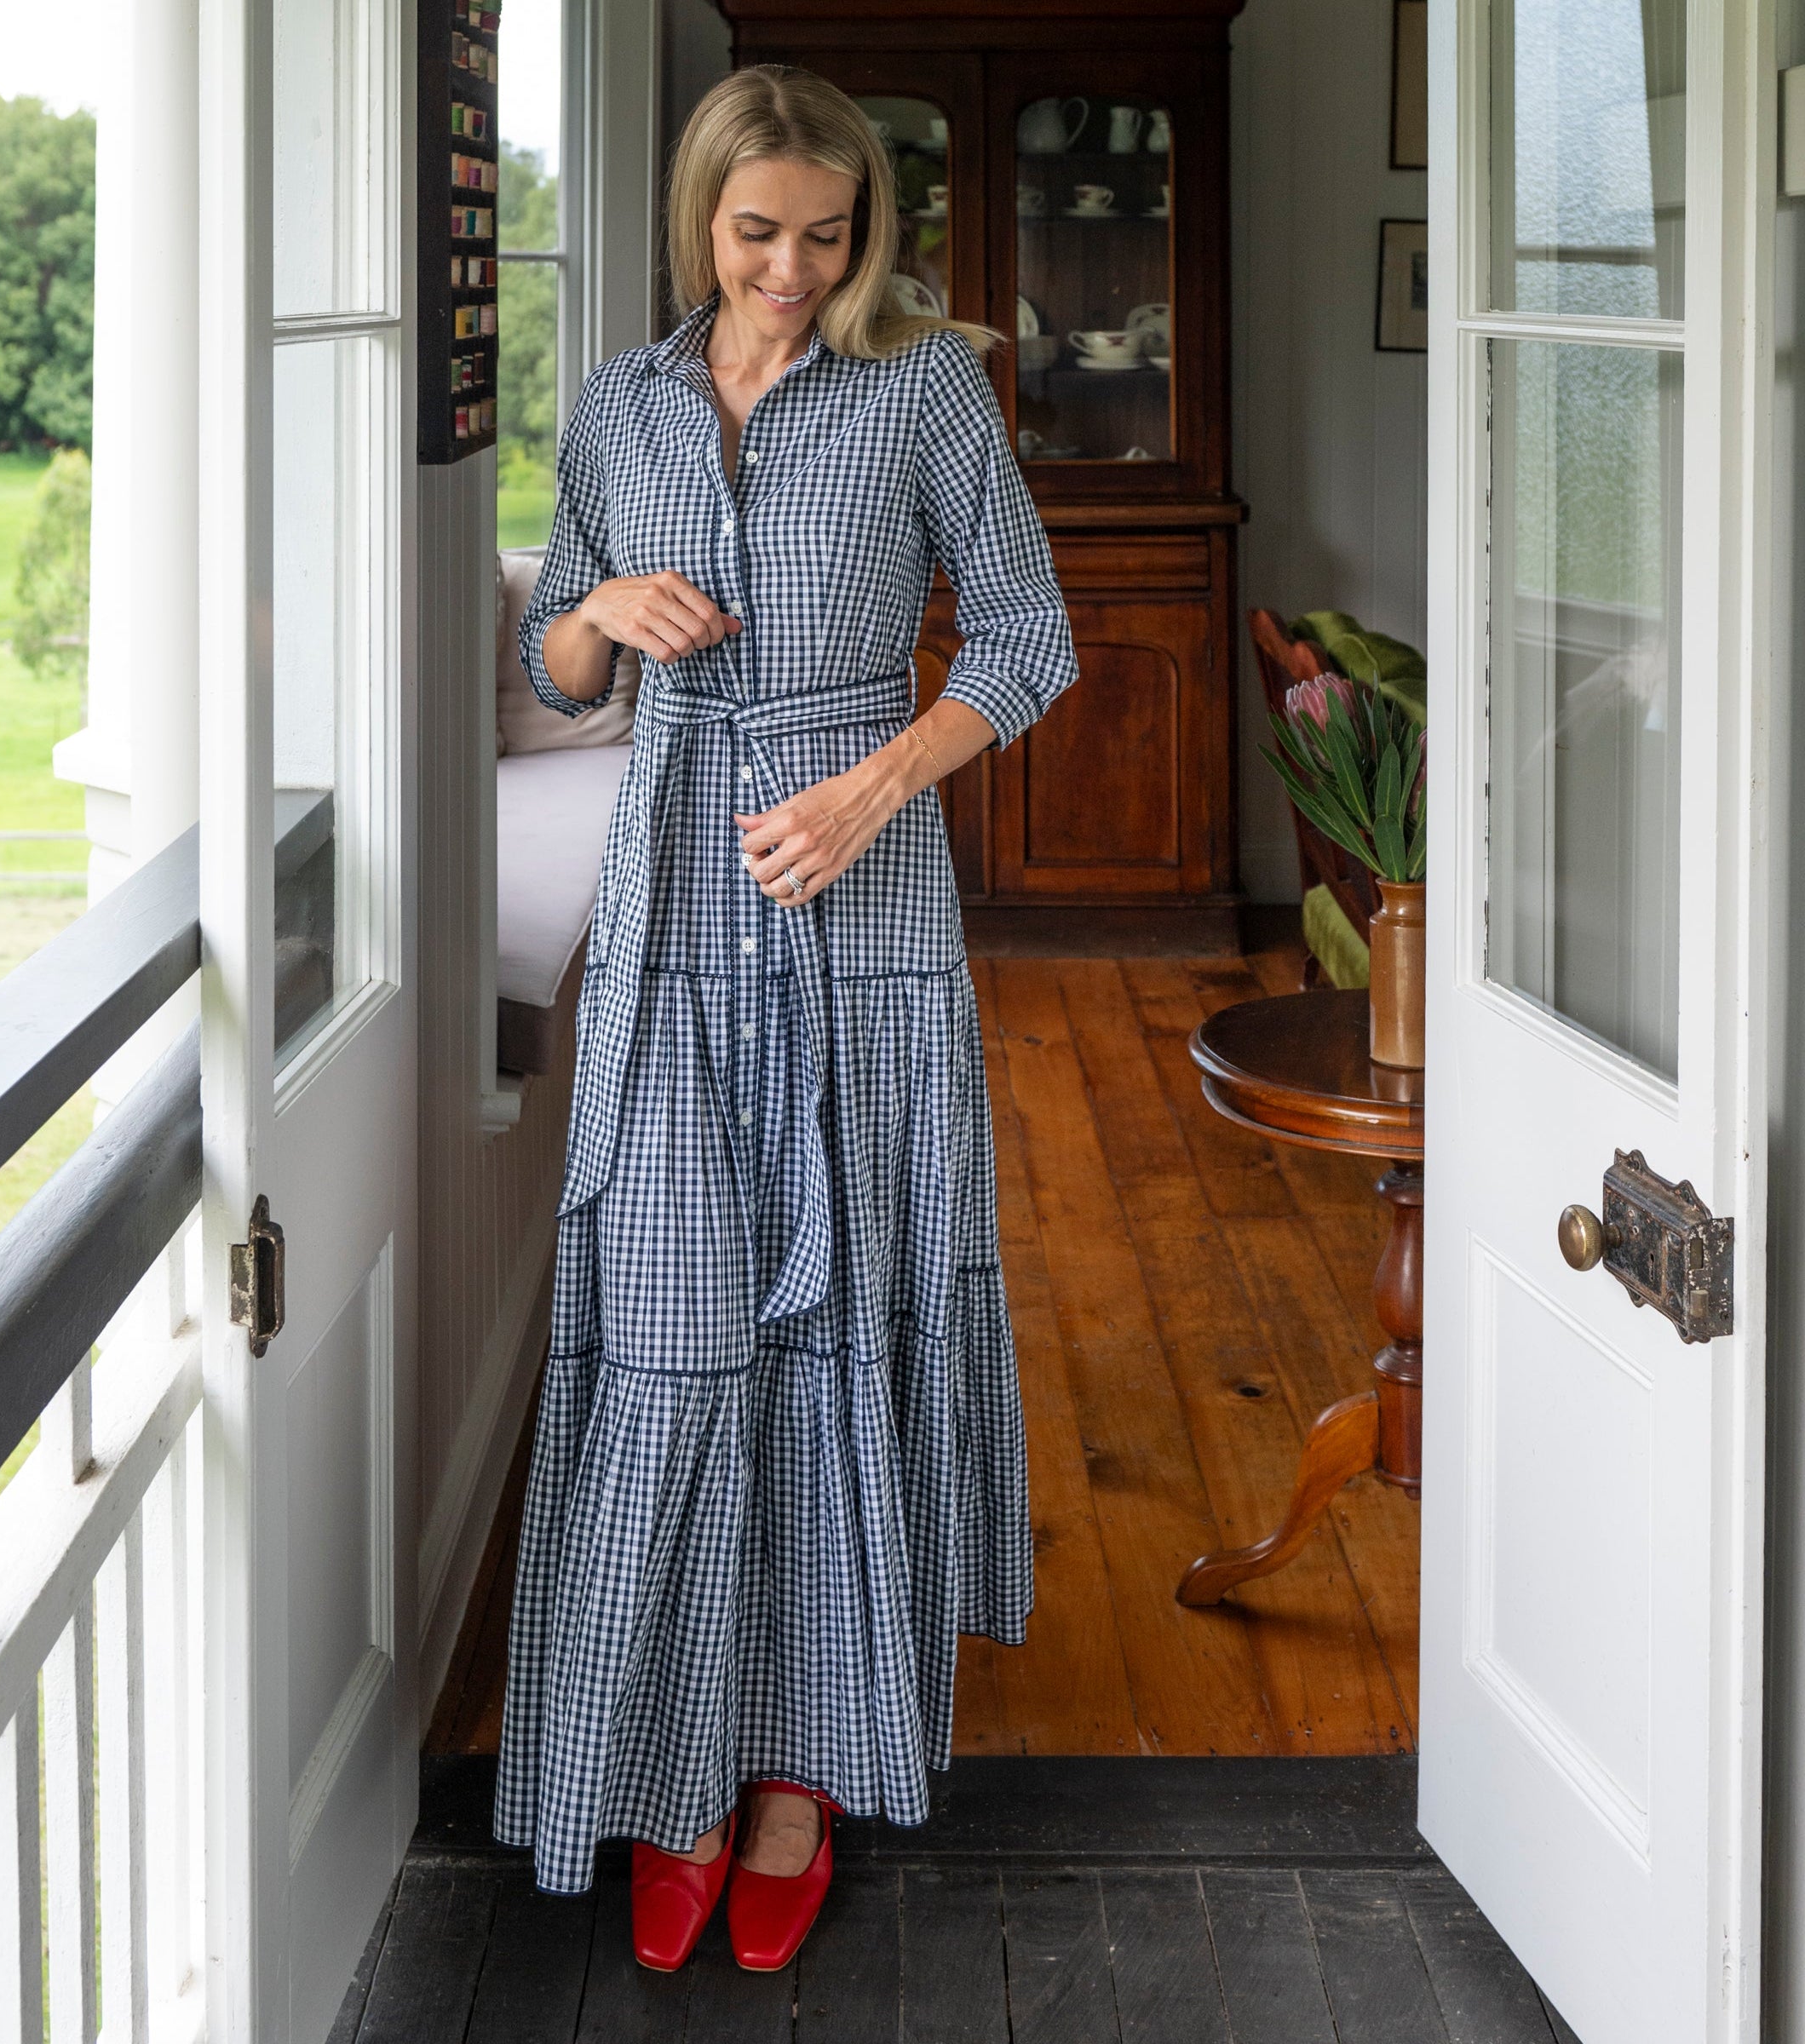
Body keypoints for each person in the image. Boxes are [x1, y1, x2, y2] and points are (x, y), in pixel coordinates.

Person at [493, 62, 1077, 1972]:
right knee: (671, 1329)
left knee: (838, 1322)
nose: (792, 272)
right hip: (667, 919)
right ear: (701, 221)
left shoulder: (921, 392)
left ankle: (808, 1771)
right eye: (760, 235)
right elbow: (554, 642)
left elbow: (1025, 636)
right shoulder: (622, 407)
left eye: (829, 239)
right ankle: (673, 1767)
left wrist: (877, 789)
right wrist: (609, 616)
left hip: (860, 906)